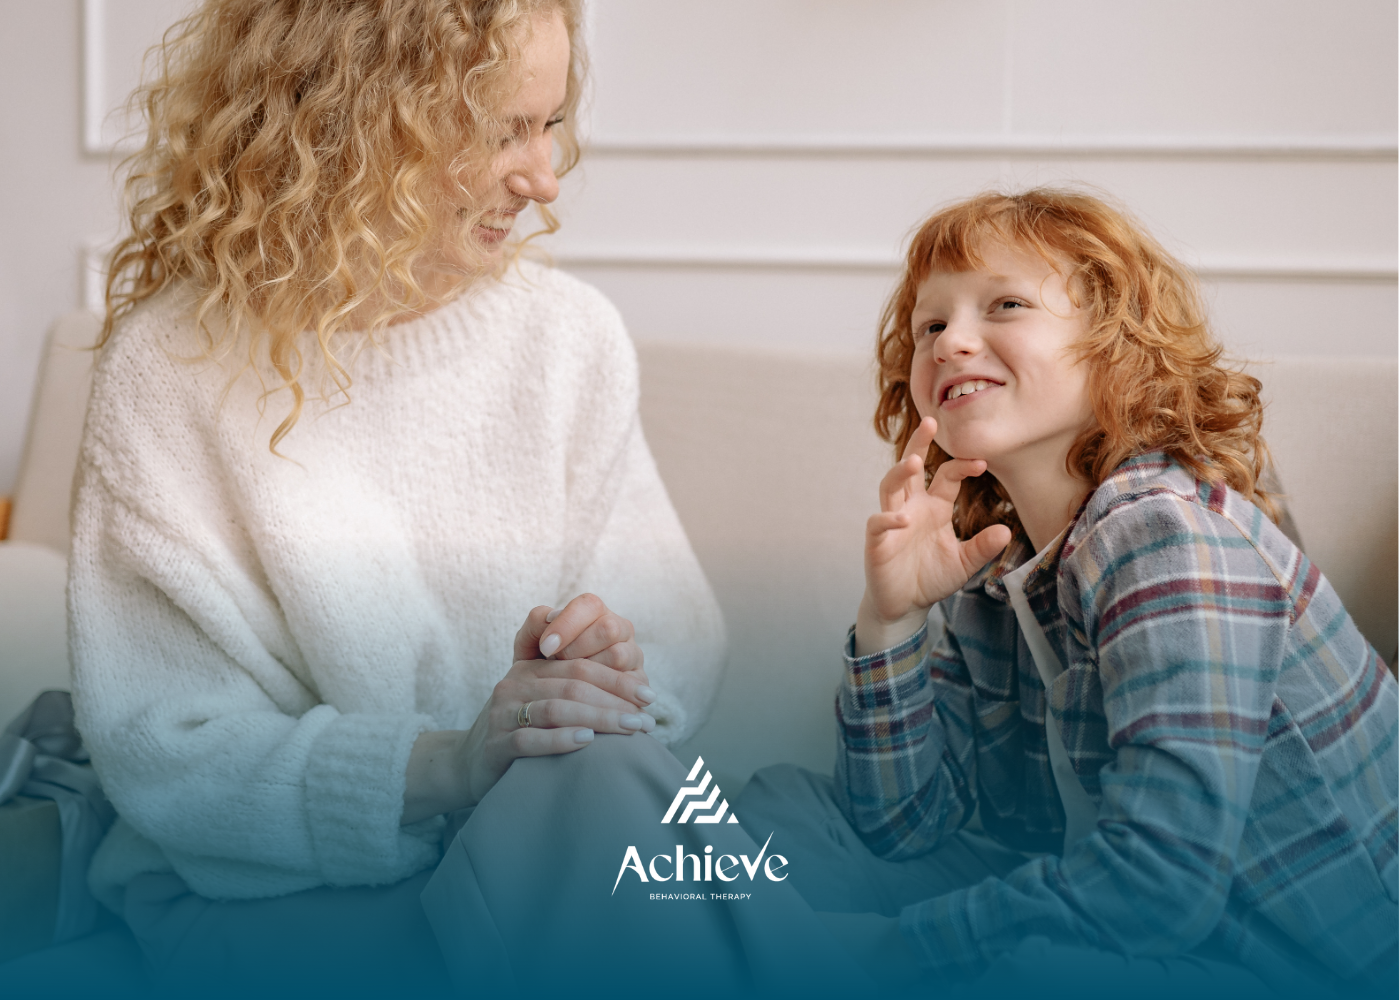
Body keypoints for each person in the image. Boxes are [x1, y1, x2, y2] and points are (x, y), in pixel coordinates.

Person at [66, 0, 724, 991]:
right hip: (263, 895)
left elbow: (671, 638)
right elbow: (167, 752)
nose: (545, 178)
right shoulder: (169, 369)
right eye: (503, 129)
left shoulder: (566, 337)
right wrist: (451, 763)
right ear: (355, 124)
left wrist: (603, 677)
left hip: (546, 850)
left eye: (549, 123)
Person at [737, 188, 1399, 997]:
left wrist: (893, 948)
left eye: (1004, 304)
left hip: (1275, 953)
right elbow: (901, 828)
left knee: (1028, 962)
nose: (951, 342)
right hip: (1106, 908)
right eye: (930, 325)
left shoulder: (1165, 534)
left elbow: (1161, 882)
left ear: (1118, 346)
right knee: (786, 809)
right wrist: (892, 620)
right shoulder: (995, 569)